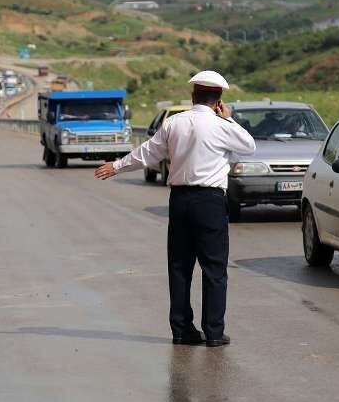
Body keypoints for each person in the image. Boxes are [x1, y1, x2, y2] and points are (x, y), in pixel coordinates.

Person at [94, 70, 256, 347]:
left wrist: (117, 166)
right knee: (214, 268)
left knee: (180, 267)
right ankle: (214, 332)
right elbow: (249, 146)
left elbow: (148, 153)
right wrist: (227, 117)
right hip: (210, 202)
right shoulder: (222, 125)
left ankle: (182, 330)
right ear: (219, 100)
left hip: (180, 201)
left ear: (193, 96)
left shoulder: (174, 123)